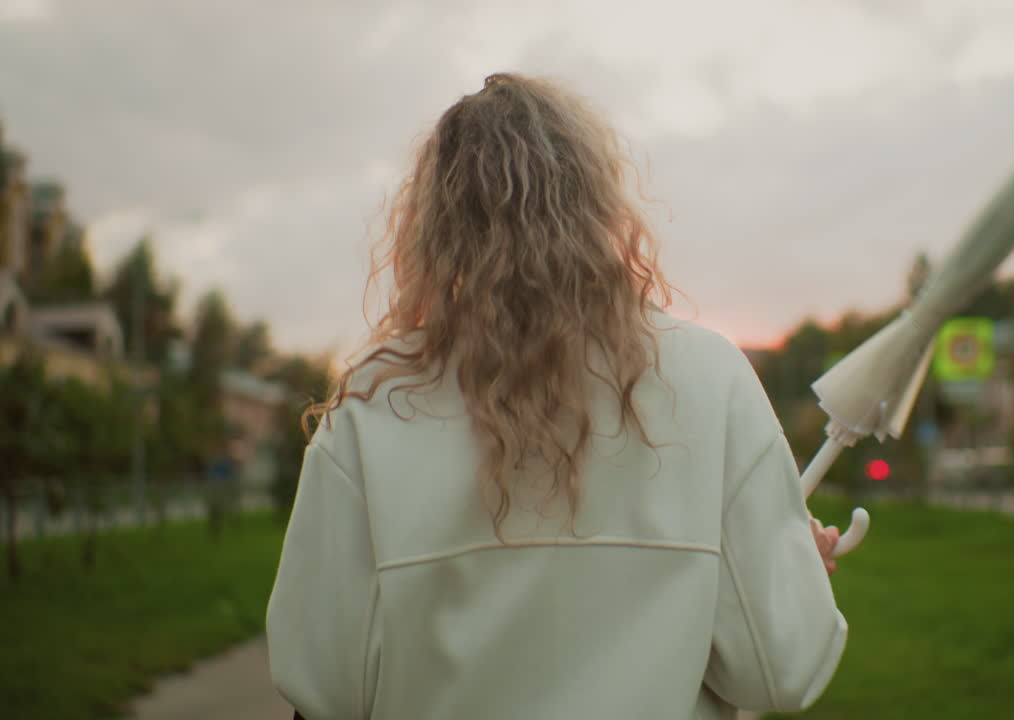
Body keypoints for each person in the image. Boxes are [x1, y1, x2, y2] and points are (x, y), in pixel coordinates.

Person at [266, 72, 847, 720]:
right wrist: (787, 580)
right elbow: (779, 670)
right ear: (599, 204)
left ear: (435, 223)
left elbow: (324, 683)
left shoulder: (376, 402)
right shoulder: (711, 376)